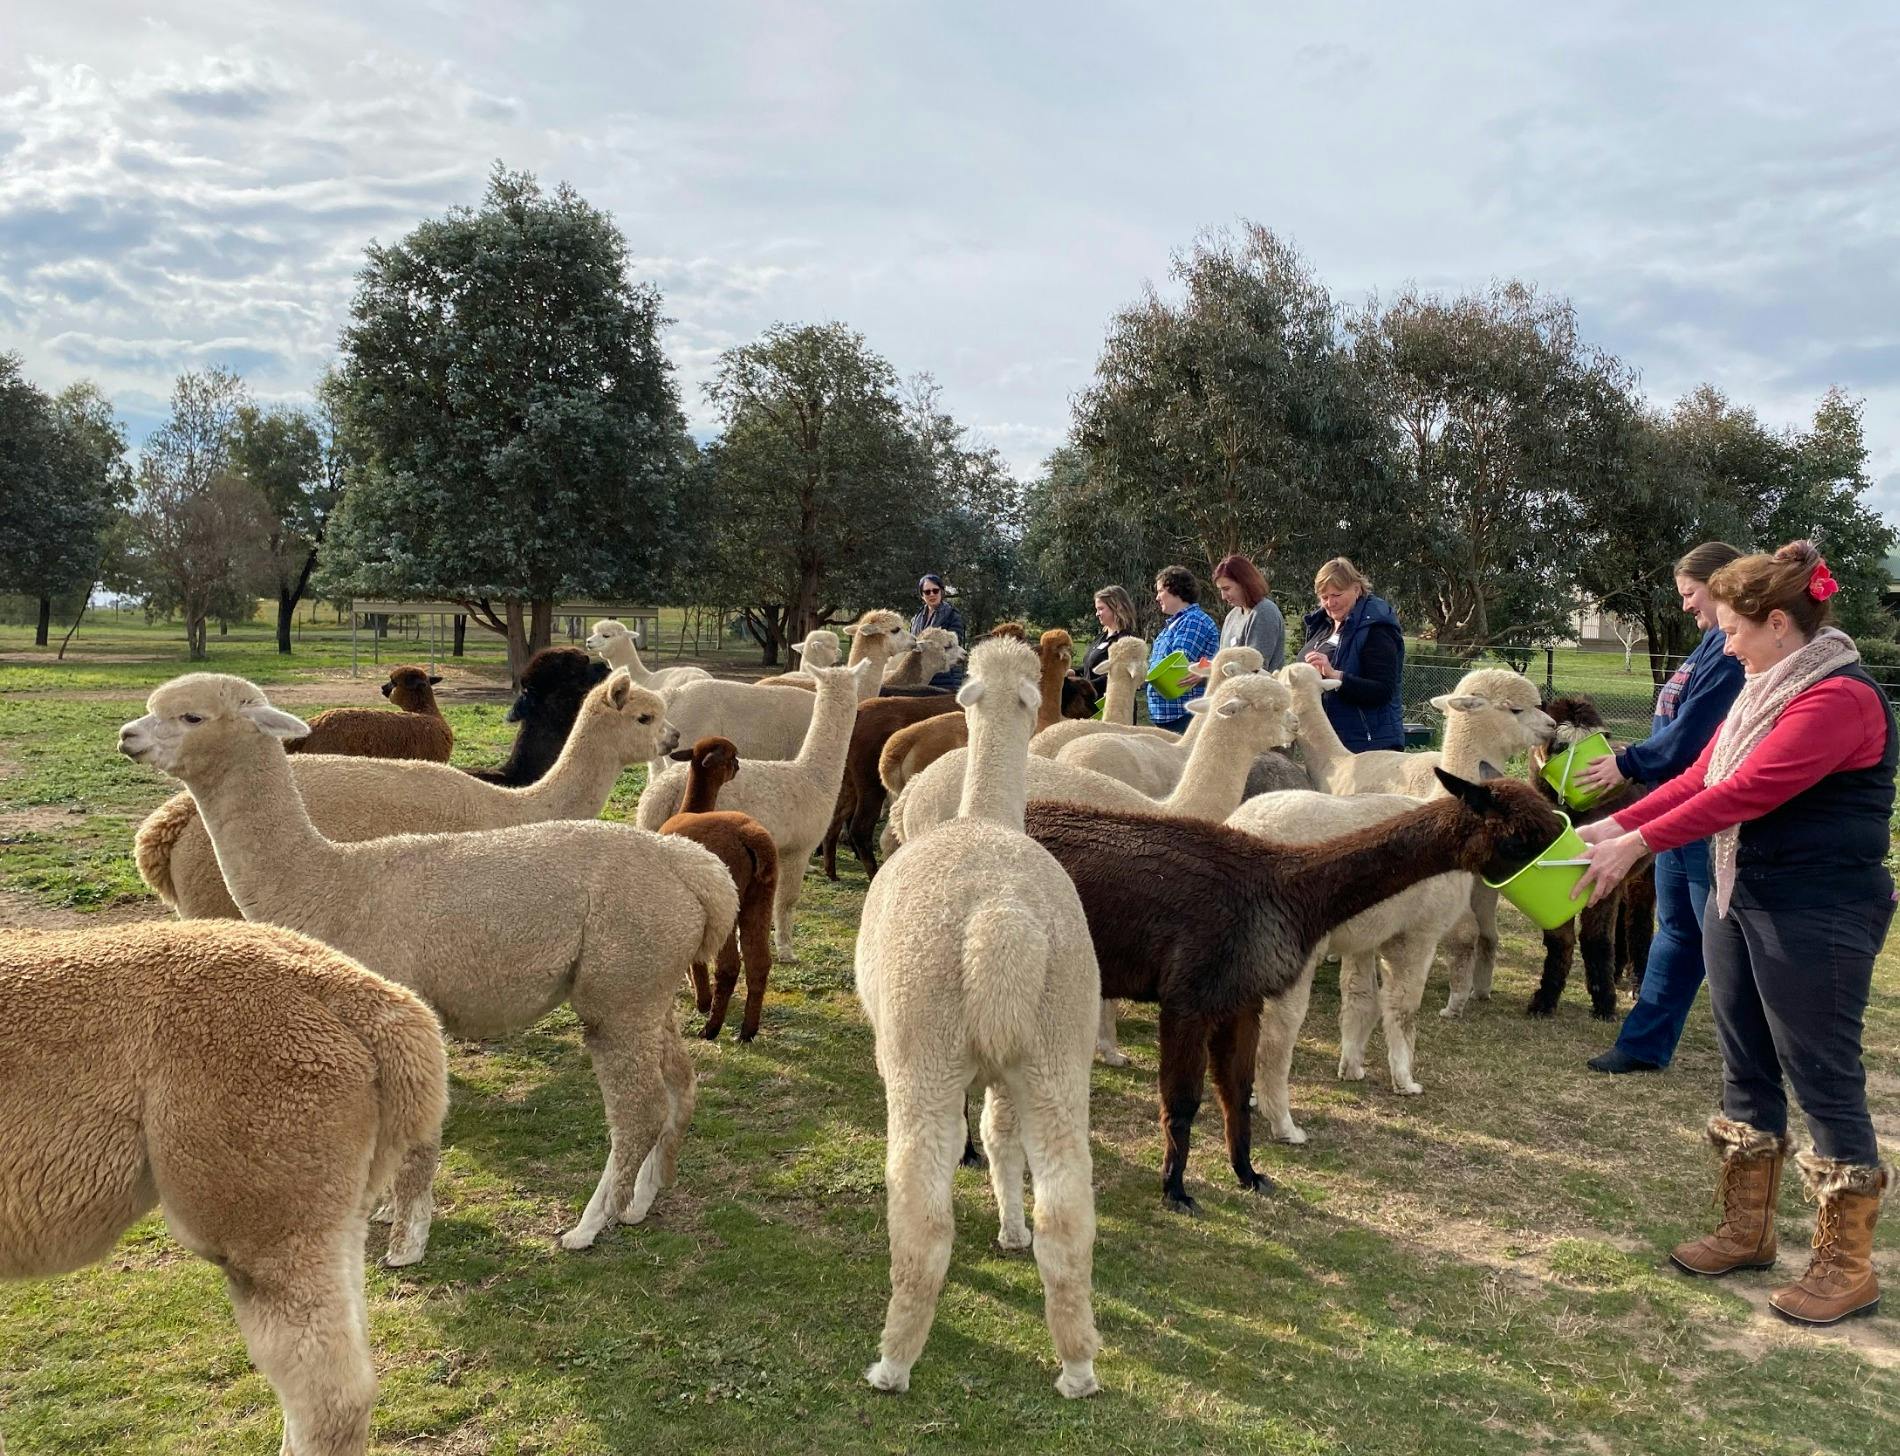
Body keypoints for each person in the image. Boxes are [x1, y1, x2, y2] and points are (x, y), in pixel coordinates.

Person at [1574, 541, 1895, 1327]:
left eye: (1733, 631)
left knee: (1821, 1074)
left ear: (1778, 623)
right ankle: (1747, 1231)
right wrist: (1610, 824)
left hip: (1815, 908)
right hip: (1740, 892)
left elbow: (1748, 790)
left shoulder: (1837, 699)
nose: (1724, 644)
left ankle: (1845, 1265)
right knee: (1746, 1066)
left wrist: (1636, 847)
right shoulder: (1760, 690)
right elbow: (1700, 777)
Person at [1580, 543, 1746, 1075]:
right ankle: (1644, 1044)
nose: (1685, 606)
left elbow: (1696, 739)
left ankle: (1752, 1063)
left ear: (1721, 587)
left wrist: (1628, 764)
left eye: (1690, 594)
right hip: (1675, 810)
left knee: (1722, 939)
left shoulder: (1730, 653)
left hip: (1706, 817)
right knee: (1678, 928)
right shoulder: (1707, 647)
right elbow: (1678, 734)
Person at [1299, 557, 1405, 752]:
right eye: (1324, 597)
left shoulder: (1377, 629)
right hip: (1329, 745)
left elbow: (1382, 691)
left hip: (1369, 749)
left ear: (1356, 589)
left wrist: (1335, 675)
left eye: (1336, 594)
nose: (1330, 603)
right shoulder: (1321, 626)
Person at [1146, 565, 1220, 734]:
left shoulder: (1193, 621)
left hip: (1184, 715)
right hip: (1168, 715)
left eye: (1160, 591)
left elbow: (1177, 665)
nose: (1157, 597)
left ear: (1175, 589)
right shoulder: (1174, 624)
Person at [1202, 553, 1286, 673]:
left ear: (1244, 583)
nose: (1223, 596)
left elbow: (1255, 669)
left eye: (1226, 589)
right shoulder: (1232, 616)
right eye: (1220, 590)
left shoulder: (1264, 612)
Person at [910, 573, 965, 692]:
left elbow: (954, 644)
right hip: (921, 679)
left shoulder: (952, 616)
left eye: (935, 590)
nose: (932, 594)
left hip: (946, 679)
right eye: (927, 592)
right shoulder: (915, 619)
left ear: (941, 591)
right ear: (922, 595)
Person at [1080, 585, 1138, 694]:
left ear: (1116, 607)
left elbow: (1120, 675)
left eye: (1101, 609)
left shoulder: (1127, 640)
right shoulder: (1101, 637)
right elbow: (1091, 667)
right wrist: (1072, 672)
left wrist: (1085, 687)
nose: (1097, 614)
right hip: (1094, 705)